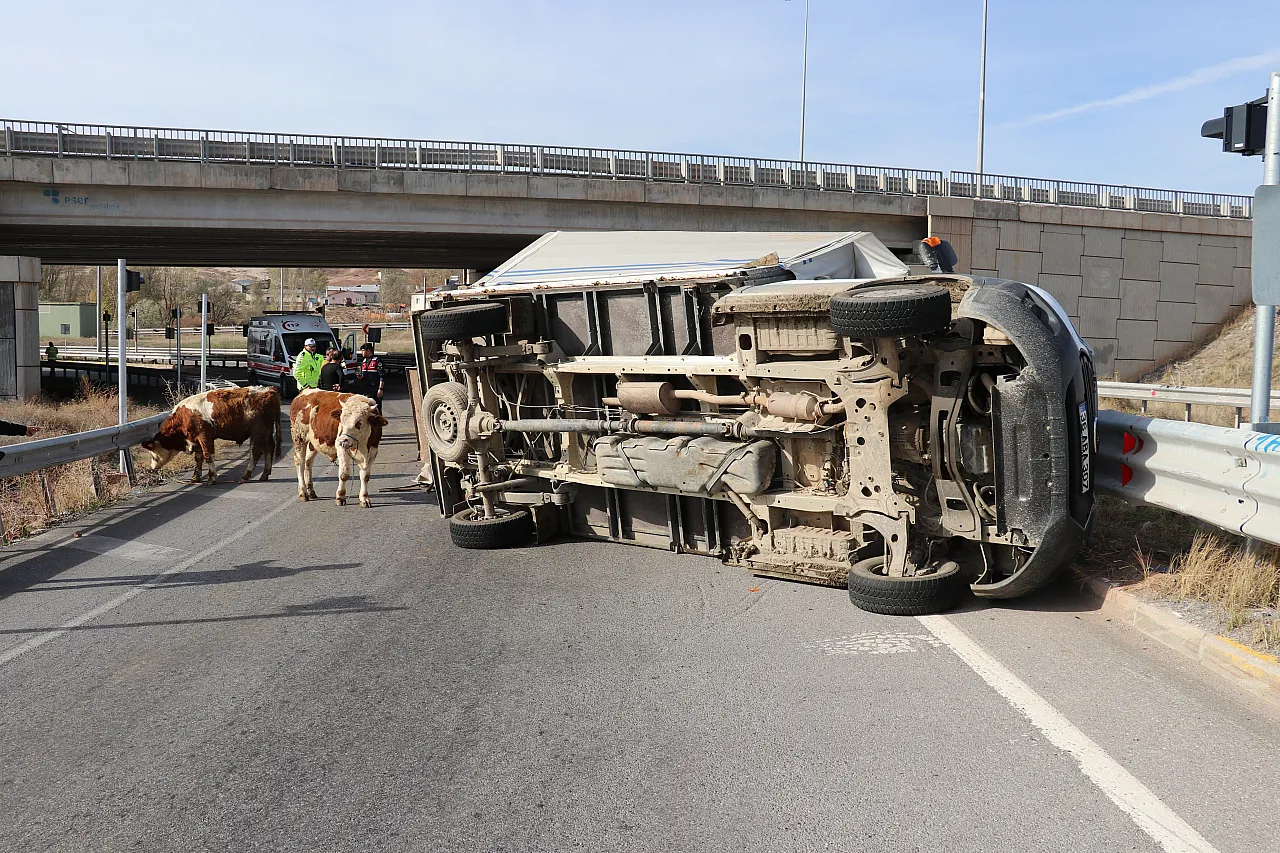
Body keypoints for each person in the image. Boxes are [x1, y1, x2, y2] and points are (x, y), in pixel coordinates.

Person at [356, 342, 385, 409]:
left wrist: (380, 389)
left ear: (368, 351)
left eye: (363, 351)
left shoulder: (377, 361)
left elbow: (382, 376)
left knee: (376, 408)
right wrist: (360, 377)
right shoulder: (364, 361)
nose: (361, 353)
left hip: (374, 389)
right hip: (365, 389)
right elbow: (363, 375)